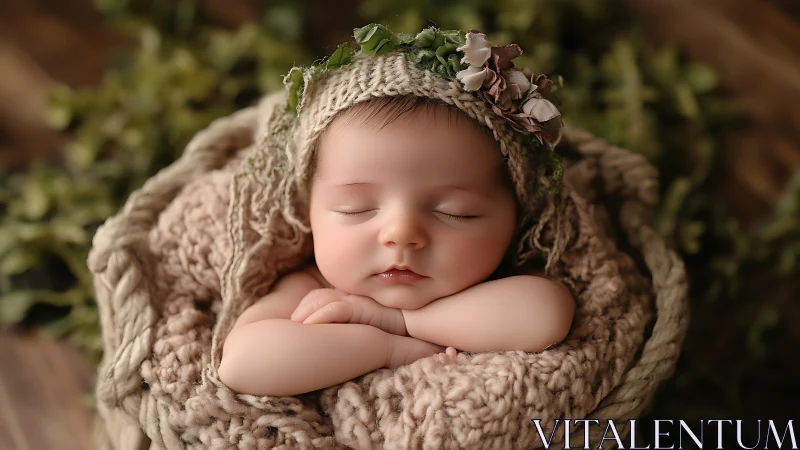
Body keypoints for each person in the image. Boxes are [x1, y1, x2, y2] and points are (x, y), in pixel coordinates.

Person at [217, 25, 576, 397]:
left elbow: (546, 316)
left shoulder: (499, 285)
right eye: (356, 209)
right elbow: (243, 363)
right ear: (308, 213)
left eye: (456, 212)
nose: (401, 233)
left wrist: (400, 320)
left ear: (516, 218)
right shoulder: (315, 289)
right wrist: (386, 348)